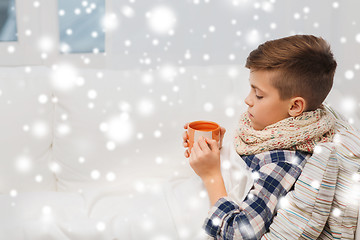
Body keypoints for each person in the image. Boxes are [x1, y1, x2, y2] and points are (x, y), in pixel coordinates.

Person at [182, 35, 337, 239]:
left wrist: (211, 175)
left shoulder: (284, 163)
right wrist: (219, 155)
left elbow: (238, 232)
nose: (247, 100)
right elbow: (247, 172)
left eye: (259, 95)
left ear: (295, 106)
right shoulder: (275, 133)